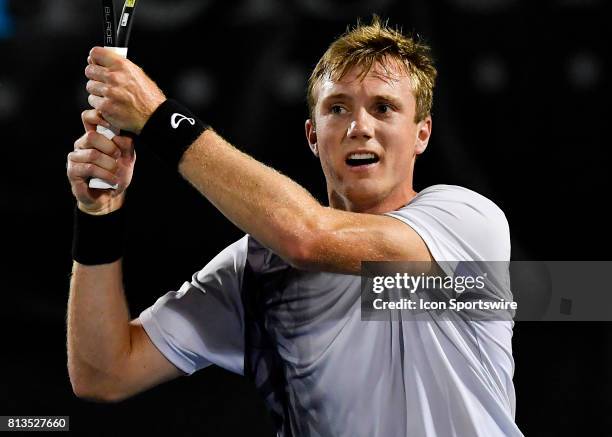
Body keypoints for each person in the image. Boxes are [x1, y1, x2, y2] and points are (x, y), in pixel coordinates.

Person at [66, 17, 523, 437]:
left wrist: (157, 116)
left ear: (421, 133)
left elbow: (309, 237)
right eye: (338, 108)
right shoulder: (257, 270)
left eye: (384, 108)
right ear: (312, 135)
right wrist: (98, 215)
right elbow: (103, 371)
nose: (359, 126)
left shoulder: (465, 220)